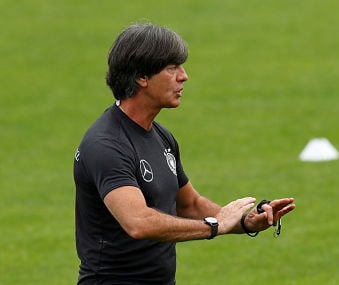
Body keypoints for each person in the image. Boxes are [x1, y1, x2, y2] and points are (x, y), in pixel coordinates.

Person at [73, 23, 296, 285]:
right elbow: (138, 222)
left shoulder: (161, 136)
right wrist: (214, 226)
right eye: (172, 68)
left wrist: (246, 221)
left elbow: (189, 204)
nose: (184, 76)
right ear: (142, 77)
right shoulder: (106, 145)